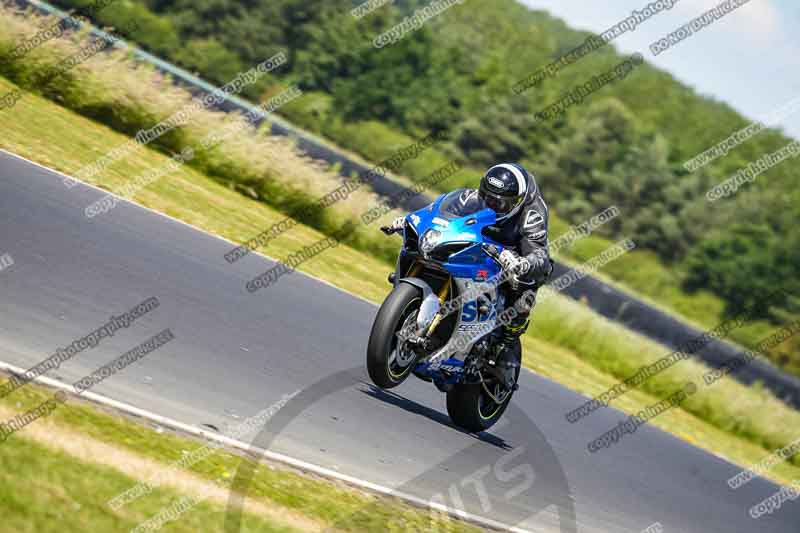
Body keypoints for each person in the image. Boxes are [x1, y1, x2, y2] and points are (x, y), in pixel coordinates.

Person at [384, 163, 553, 386]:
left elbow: (540, 255)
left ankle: (505, 345)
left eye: (499, 203)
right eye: (487, 198)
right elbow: (435, 212)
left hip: (513, 250)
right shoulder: (470, 198)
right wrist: (408, 219)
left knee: (527, 280)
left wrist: (522, 263)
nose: (491, 205)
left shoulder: (532, 215)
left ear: (516, 203)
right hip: (482, 243)